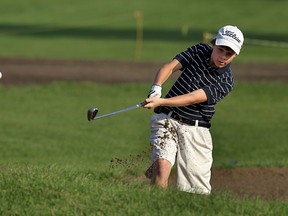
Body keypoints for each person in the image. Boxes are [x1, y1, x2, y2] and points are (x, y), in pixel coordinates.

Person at [143, 25, 244, 194]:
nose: (223, 57)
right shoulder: (199, 50)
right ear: (214, 44)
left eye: (229, 54)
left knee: (195, 192)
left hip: (196, 130)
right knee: (162, 168)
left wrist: (162, 101)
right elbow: (169, 67)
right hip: (167, 120)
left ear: (235, 55)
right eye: (221, 50)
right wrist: (156, 87)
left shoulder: (226, 81)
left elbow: (193, 97)